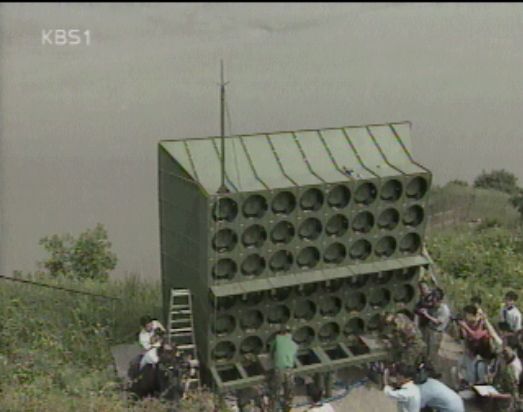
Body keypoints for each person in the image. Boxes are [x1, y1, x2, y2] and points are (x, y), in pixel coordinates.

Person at [268, 325, 298, 412]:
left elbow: (271, 351)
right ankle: (287, 409)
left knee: (275, 391)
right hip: (289, 370)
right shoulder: (294, 344)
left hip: (279, 369)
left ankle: (272, 409)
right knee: (289, 391)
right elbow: (294, 356)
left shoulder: (277, 340)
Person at [417, 288, 451, 364]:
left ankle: (430, 367)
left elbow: (438, 321)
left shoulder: (444, 310)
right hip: (429, 330)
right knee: (425, 349)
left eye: (434, 300)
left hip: (436, 333)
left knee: (431, 352)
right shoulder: (434, 306)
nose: (432, 302)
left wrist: (427, 315)